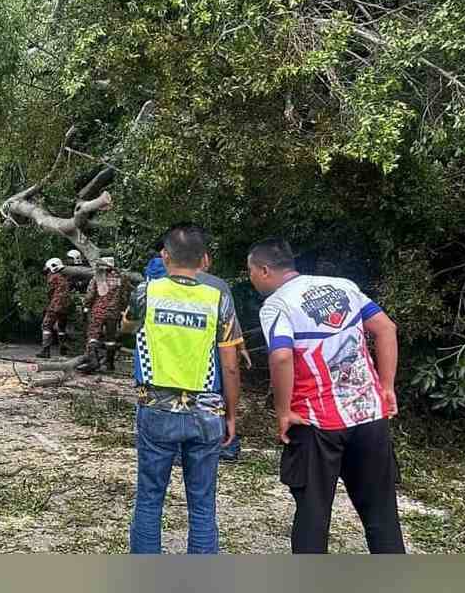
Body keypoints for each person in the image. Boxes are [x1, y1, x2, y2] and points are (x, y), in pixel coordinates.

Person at [248, 237, 405, 554]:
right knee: (382, 515)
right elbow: (386, 328)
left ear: (264, 270)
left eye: (250, 271)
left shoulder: (278, 304)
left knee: (313, 517)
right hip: (368, 415)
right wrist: (386, 386)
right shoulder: (344, 286)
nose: (250, 278)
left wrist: (283, 411)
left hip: (315, 423)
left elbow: (281, 356)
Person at [123, 225, 242, 554]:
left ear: (165, 256)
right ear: (204, 259)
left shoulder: (146, 292)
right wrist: (231, 416)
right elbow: (231, 365)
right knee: (203, 505)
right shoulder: (218, 297)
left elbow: (127, 326)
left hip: (156, 410)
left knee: (149, 500)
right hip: (207, 413)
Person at [83, 257, 127, 373]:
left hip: (98, 311)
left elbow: (90, 294)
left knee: (93, 335)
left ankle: (93, 361)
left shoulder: (98, 277)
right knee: (111, 339)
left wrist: (86, 306)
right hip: (114, 312)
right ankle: (109, 363)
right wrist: (122, 309)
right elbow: (124, 296)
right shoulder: (121, 278)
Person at [38, 258, 70, 358]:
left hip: (55, 305)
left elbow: (49, 292)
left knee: (46, 325)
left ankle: (45, 350)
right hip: (65, 305)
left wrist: (47, 304)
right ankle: (63, 348)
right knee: (61, 327)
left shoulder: (53, 277)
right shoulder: (64, 277)